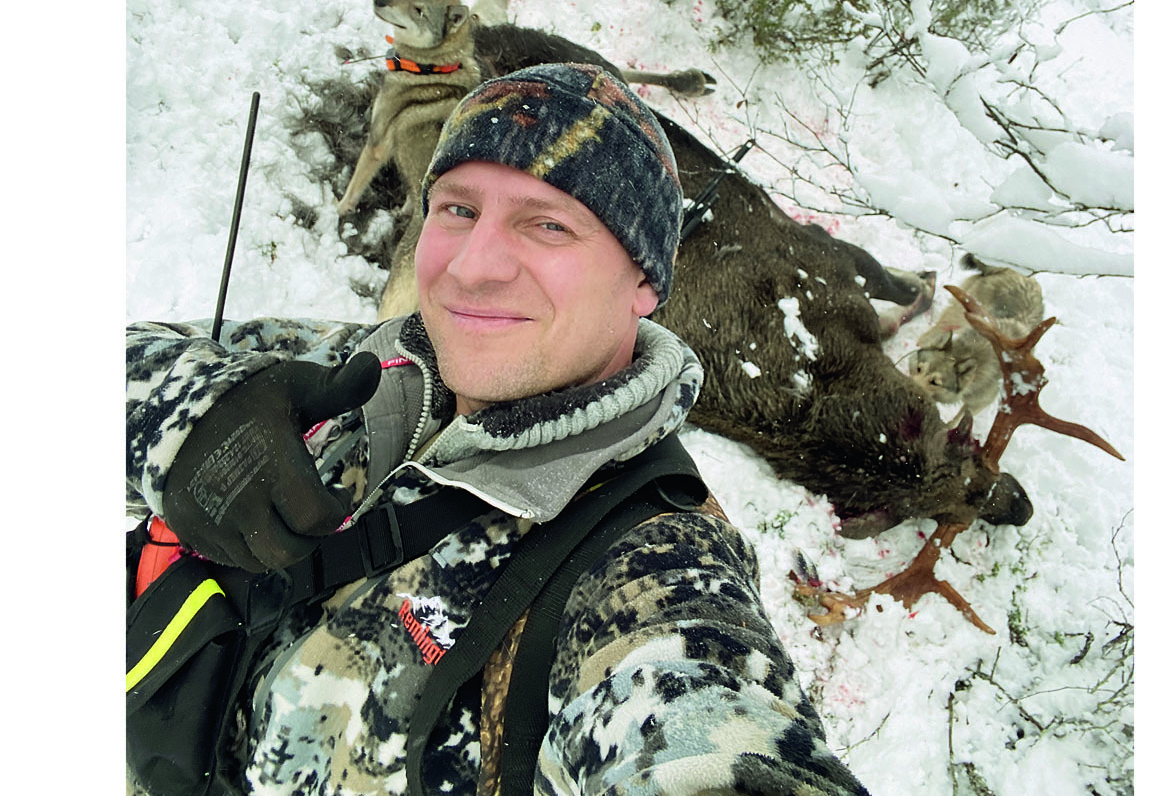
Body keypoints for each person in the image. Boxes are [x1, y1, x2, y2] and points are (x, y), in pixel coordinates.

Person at [126, 63, 870, 795]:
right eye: (456, 210)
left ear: (644, 280)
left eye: (547, 223)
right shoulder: (350, 364)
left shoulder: (651, 570)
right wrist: (190, 415)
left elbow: (705, 732)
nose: (472, 267)